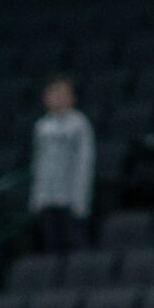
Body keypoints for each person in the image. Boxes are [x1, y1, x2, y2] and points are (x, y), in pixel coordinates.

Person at [28, 75, 93, 256]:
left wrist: (80, 201)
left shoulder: (79, 123)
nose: (58, 98)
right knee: (50, 251)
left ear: (72, 97)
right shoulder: (42, 126)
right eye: (53, 93)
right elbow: (38, 164)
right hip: (47, 200)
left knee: (73, 250)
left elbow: (84, 163)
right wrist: (36, 199)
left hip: (71, 201)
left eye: (62, 93)